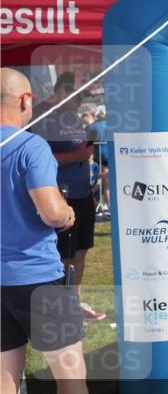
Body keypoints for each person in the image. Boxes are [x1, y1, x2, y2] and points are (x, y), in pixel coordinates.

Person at [1, 68, 89, 394]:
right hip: (37, 277)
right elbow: (51, 211)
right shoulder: (30, 145)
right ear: (25, 100)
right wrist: (68, 215)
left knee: (3, 386)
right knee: (71, 379)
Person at [33, 72, 104, 320]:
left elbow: (78, 151)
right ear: (62, 91)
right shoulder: (43, 116)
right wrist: (77, 157)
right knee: (62, 254)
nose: (81, 102)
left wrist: (86, 154)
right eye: (78, 96)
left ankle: (73, 302)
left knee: (81, 251)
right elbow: (39, 159)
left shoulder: (73, 118)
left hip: (83, 193)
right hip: (61, 197)